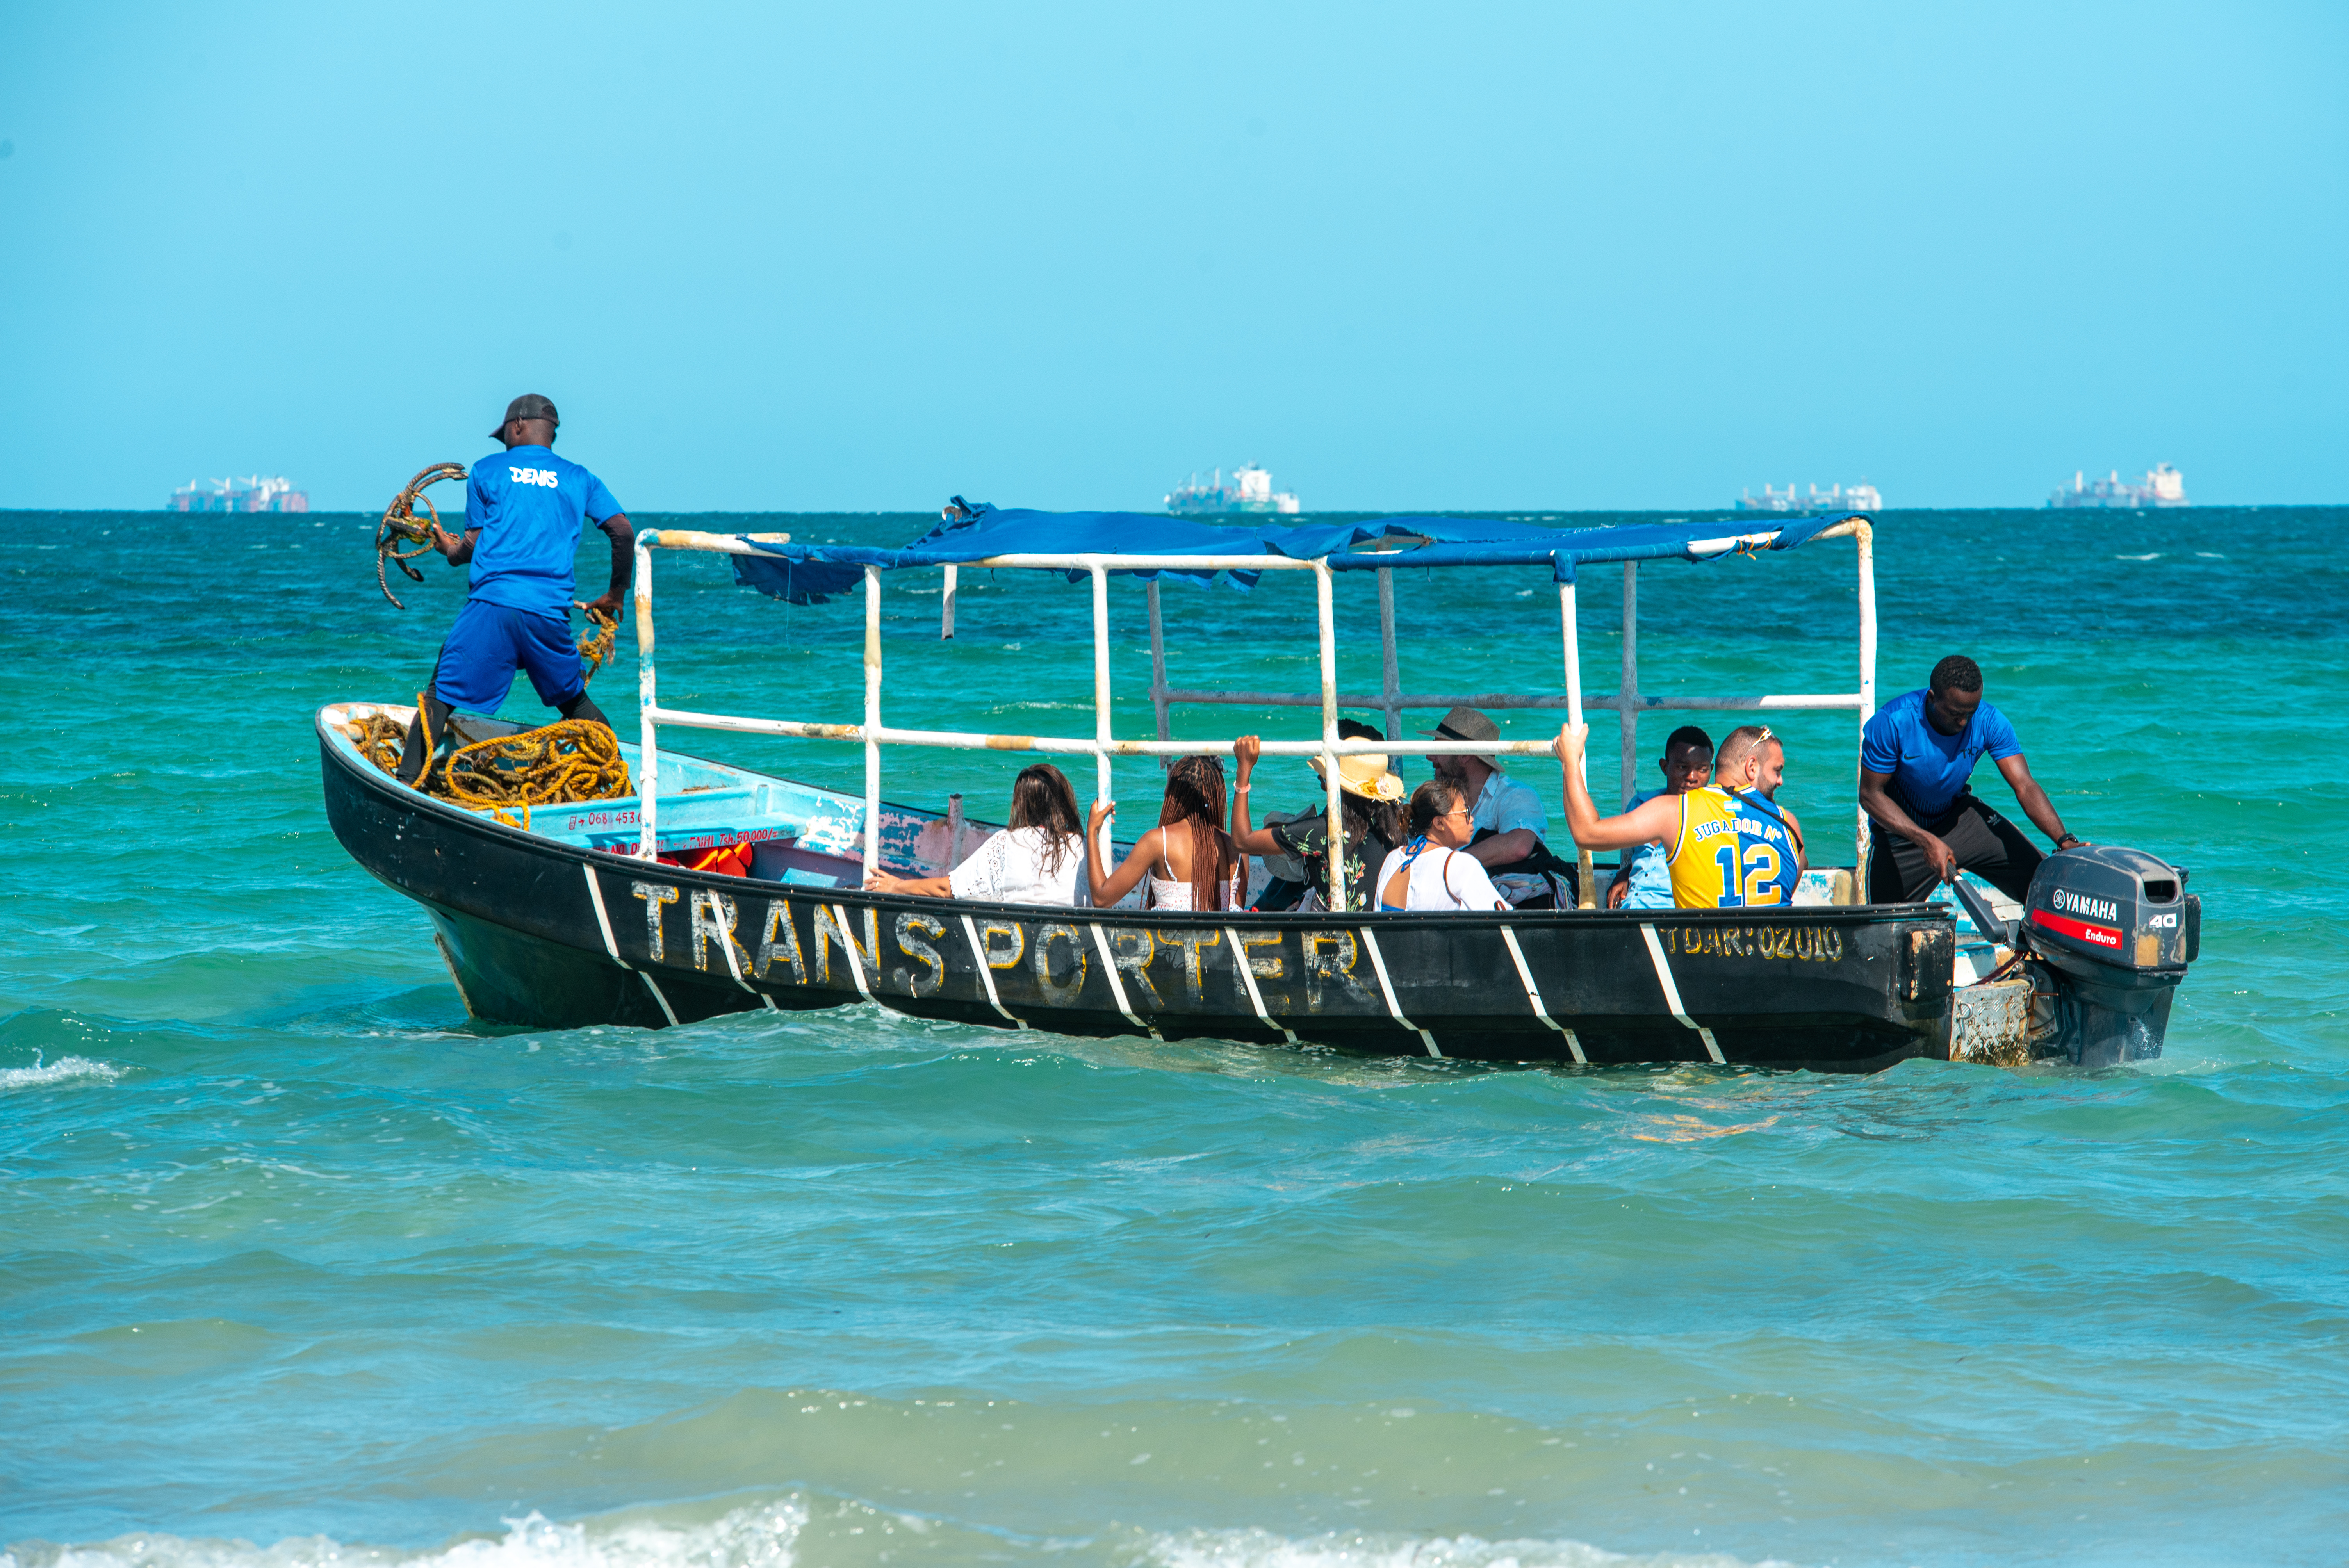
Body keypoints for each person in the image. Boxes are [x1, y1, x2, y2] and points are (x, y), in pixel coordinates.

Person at [396, 394, 633, 784]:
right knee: (573, 701)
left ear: (518, 425)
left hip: (493, 606)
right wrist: (616, 595)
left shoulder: (487, 470)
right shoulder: (580, 478)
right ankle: (621, 783)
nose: (503, 441)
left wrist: (447, 549)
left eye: (504, 433)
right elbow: (622, 531)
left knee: (441, 693)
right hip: (548, 613)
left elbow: (470, 547)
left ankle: (404, 784)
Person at [1858, 654, 2084, 903]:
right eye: (1956, 714)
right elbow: (1870, 796)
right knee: (1883, 926)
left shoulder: (1989, 720)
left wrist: (2064, 840)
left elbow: (2025, 786)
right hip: (1900, 835)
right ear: (1933, 698)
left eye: (1970, 713)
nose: (1964, 722)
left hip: (1959, 820)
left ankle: (2033, 938)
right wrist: (1926, 840)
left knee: (2044, 882)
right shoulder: (1893, 723)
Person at [1555, 723, 1805, 908]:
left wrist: (1570, 761)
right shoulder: (1788, 823)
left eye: (1701, 769)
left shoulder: (1676, 810)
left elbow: (1586, 832)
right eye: (1777, 771)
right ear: (1751, 767)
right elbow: (1795, 872)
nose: (1781, 781)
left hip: (1693, 948)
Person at [1420, 706, 1577, 907]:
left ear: (1464, 756)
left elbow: (1520, 845)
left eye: (1438, 750)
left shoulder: (1515, 795)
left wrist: (1450, 866)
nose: (1430, 757)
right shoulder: (1440, 803)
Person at [1231, 733, 1407, 912]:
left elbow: (1242, 841)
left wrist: (1243, 772)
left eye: (1324, 778)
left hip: (1330, 936)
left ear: (1334, 784)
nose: (1321, 781)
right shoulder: (1394, 832)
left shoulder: (1324, 830)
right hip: (1372, 935)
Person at [867, 764, 1088, 905]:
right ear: (1064, 801)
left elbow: (947, 889)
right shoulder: (1082, 846)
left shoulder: (1008, 842)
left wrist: (896, 886)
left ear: (1022, 804)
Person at [1085, 755, 1246, 911]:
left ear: (1171, 794)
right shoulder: (1237, 850)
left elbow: (1101, 899)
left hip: (1168, 939)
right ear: (1217, 796)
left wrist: (1092, 830)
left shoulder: (1157, 842)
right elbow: (1237, 911)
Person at [1607, 725, 1714, 909]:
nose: (1692, 777)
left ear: (1711, 770)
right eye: (1683, 767)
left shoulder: (1712, 815)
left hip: (1671, 916)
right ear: (1665, 767)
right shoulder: (1641, 804)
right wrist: (1625, 872)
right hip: (1629, 907)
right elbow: (1633, 856)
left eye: (1702, 770)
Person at [1376, 778, 1509, 911]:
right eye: (1466, 813)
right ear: (1440, 823)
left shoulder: (1393, 858)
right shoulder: (1460, 864)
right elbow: (1505, 919)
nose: (1472, 819)